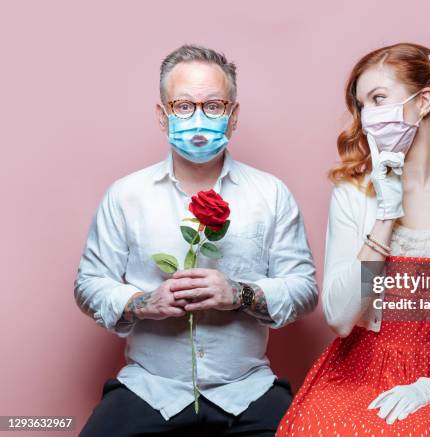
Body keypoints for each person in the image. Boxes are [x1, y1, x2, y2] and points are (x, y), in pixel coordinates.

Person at [277, 43, 430, 436]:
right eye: (361, 105)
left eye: (378, 98)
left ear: (424, 101)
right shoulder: (353, 198)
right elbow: (339, 319)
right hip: (358, 370)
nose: (368, 115)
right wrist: (386, 215)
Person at [74, 44, 318, 437]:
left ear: (233, 116)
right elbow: (88, 285)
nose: (199, 118)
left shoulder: (271, 194)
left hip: (246, 389)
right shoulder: (126, 194)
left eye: (214, 106)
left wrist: (240, 294)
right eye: (184, 106)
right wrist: (142, 303)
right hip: (150, 387)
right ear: (163, 115)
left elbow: (304, 289)